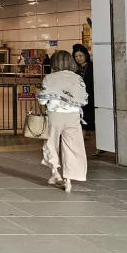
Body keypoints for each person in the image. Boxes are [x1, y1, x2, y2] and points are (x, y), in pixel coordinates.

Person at [37, 50, 88, 192]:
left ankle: (55, 172)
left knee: (51, 144)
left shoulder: (50, 78)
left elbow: (42, 100)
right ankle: (69, 181)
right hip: (74, 116)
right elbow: (83, 99)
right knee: (73, 147)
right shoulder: (78, 78)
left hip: (55, 115)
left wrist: (38, 94)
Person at [72, 43, 98, 155]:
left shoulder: (92, 67)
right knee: (81, 124)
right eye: (76, 56)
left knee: (90, 126)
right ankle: (79, 148)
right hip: (80, 102)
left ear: (86, 56)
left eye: (80, 56)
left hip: (90, 101)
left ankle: (99, 146)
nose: (78, 58)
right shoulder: (76, 69)